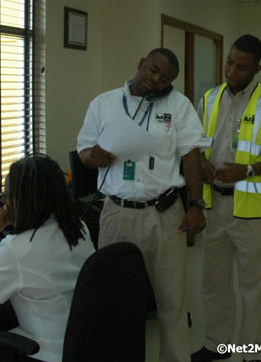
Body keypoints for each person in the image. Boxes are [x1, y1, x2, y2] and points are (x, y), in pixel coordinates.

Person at [76, 47, 208, 362]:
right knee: (114, 299)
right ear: (141, 64)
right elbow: (83, 150)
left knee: (172, 301)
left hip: (165, 215)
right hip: (117, 213)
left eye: (165, 78)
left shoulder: (179, 105)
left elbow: (191, 156)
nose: (157, 80)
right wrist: (91, 156)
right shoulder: (104, 103)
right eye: (153, 70)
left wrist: (196, 204)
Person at [192, 35, 261, 362]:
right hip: (214, 206)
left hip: (250, 210)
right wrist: (203, 163)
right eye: (229, 63)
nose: (232, 71)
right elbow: (193, 146)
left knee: (252, 286)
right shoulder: (208, 99)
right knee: (214, 283)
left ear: (257, 68)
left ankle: (251, 352)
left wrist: (247, 170)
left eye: (241, 67)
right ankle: (216, 343)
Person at [0, 154, 96, 362]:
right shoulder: (77, 228)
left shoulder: (19, 249)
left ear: (23, 199)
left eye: (8, 196)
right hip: (84, 344)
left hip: (44, 351)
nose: (5, 203)